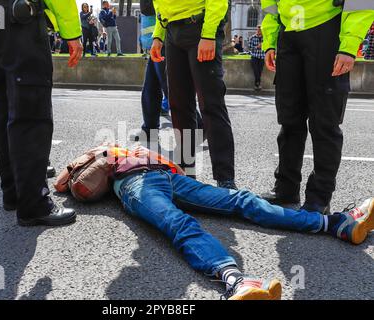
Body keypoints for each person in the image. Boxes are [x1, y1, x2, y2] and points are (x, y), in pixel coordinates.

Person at [76, 144, 374, 300]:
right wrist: (101, 156)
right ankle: (236, 283)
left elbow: (178, 165)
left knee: (241, 199)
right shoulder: (105, 154)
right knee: (179, 224)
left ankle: (336, 224)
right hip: (135, 186)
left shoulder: (145, 153)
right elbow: (75, 185)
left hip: (172, 178)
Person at [0, 0, 83, 227]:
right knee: (31, 114)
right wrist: (72, 32)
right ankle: (34, 204)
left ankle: (14, 193)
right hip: (19, 21)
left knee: (2, 108)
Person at [260, 1, 374, 214]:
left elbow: (361, 2)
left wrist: (349, 46)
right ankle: (286, 189)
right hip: (288, 33)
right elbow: (269, 5)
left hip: (327, 29)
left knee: (324, 123)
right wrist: (270, 40)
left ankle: (319, 199)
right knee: (289, 119)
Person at [150, 0, 236, 188]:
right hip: (172, 30)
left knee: (211, 105)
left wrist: (209, 34)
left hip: (200, 26)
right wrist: (158, 35)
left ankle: (225, 179)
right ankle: (186, 174)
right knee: (179, 106)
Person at [131, 0, 204, 143]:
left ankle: (199, 126)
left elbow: (149, 8)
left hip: (167, 36)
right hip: (159, 38)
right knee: (151, 87)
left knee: (171, 89)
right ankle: (149, 129)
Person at [248, 25, 265, 91]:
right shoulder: (252, 38)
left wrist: (263, 46)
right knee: (256, 71)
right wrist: (257, 47)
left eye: (260, 30)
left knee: (260, 71)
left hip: (262, 57)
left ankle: (257, 84)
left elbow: (267, 47)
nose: (259, 31)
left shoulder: (265, 38)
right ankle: (258, 84)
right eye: (258, 30)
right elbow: (249, 47)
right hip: (254, 56)